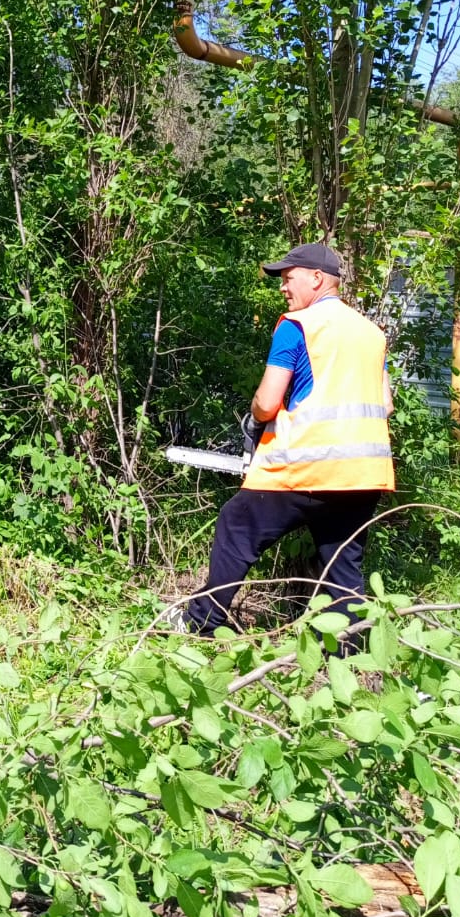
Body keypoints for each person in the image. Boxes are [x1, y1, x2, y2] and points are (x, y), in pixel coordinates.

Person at [184, 242, 394, 639]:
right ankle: (349, 652)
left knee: (236, 525)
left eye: (287, 278)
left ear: (316, 278)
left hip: (305, 467)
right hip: (363, 474)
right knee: (342, 566)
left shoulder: (297, 326)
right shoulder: (371, 333)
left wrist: (255, 418)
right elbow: (385, 404)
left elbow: (267, 402)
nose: (282, 287)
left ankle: (201, 623)